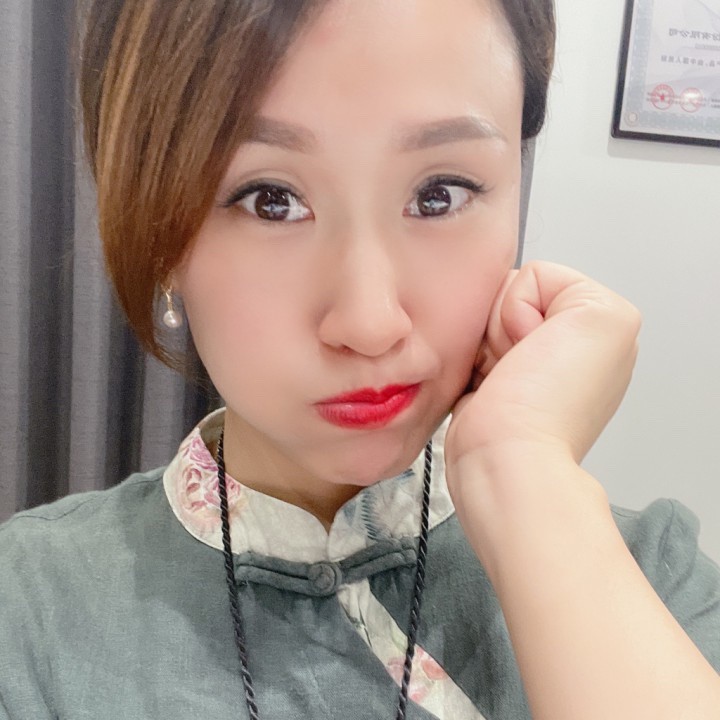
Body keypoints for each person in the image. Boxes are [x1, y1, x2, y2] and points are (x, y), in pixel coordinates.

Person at [1, 0, 719, 718]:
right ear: (162, 241)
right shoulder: (29, 616)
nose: (371, 324)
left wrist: (523, 478)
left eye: (439, 195)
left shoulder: (653, 581)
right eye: (271, 200)